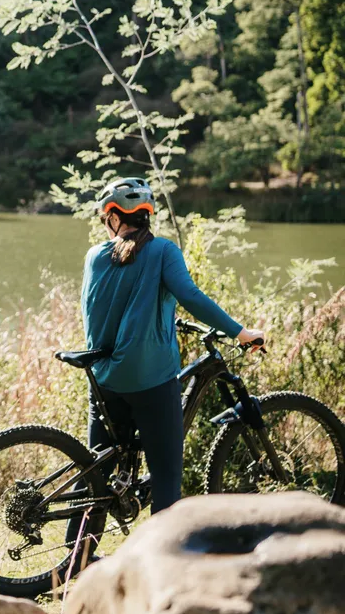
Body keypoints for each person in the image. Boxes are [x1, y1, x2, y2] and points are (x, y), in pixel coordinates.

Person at [80, 177, 265, 514]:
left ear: (115, 217)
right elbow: (191, 297)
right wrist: (239, 332)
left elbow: (100, 312)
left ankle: (76, 556)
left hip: (103, 380)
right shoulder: (163, 250)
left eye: (106, 219)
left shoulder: (94, 256)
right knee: (166, 477)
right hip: (149, 381)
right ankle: (162, 559)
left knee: (95, 474)